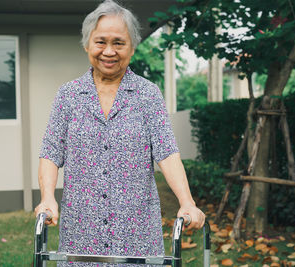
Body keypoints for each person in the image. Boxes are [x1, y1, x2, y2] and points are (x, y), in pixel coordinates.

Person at [34, 0, 205, 266]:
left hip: (137, 234)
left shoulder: (148, 95)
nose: (109, 51)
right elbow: (50, 152)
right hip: (82, 233)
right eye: (101, 42)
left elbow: (167, 152)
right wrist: (47, 199)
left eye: (119, 43)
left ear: (132, 48)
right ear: (87, 45)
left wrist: (187, 202)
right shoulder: (68, 96)